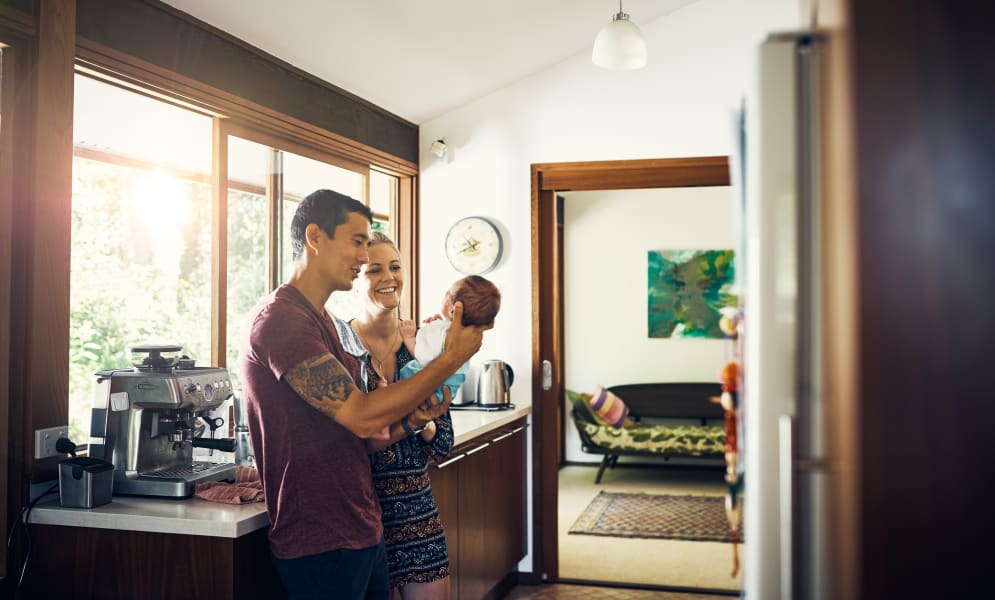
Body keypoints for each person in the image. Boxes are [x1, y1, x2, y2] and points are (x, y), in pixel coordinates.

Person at [238, 189, 489, 600]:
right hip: (320, 537)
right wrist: (450, 359)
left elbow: (366, 437)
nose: (362, 255)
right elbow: (361, 415)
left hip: (361, 529)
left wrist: (414, 420)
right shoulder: (281, 321)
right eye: (357, 241)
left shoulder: (321, 322)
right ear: (316, 237)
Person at [350, 232, 455, 598]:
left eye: (395, 267)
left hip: (416, 511)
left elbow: (443, 444)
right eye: (373, 269)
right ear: (354, 278)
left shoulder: (424, 346)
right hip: (359, 515)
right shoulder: (341, 350)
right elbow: (344, 442)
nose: (389, 277)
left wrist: (424, 422)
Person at [399, 275, 501, 403]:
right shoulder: (465, 336)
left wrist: (409, 338)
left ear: (454, 309)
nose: (445, 294)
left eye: (448, 293)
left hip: (430, 390)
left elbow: (423, 357)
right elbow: (442, 347)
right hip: (449, 386)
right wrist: (436, 327)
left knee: (404, 375)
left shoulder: (444, 333)